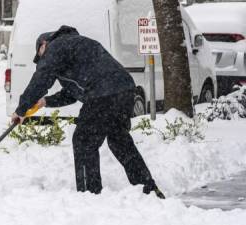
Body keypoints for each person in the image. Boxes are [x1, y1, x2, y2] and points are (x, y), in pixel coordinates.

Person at [11, 25, 165, 198]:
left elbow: (41, 79)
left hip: (103, 93)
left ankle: (89, 196)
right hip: (124, 89)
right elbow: (72, 93)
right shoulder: (76, 46)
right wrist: (45, 102)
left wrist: (21, 109)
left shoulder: (56, 46)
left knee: (84, 141)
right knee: (119, 140)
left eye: (40, 55)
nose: (41, 59)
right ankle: (148, 188)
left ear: (43, 44)